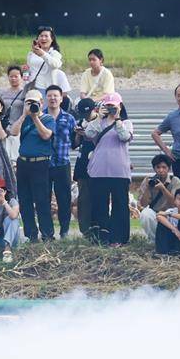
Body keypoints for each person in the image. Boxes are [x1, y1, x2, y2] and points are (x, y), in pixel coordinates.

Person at [83, 93, 134, 246]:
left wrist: (117, 120)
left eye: (114, 106)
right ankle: (102, 237)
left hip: (119, 171)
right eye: (108, 106)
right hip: (99, 170)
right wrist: (99, 117)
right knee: (99, 204)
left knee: (120, 204)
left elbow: (124, 137)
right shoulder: (98, 123)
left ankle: (119, 238)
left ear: (120, 106)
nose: (111, 108)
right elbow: (88, 134)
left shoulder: (126, 123)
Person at [9, 89, 55, 241]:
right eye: (28, 102)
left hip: (40, 163)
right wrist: (24, 114)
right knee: (25, 200)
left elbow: (46, 135)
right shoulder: (24, 119)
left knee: (42, 200)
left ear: (41, 103)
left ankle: (47, 234)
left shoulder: (48, 118)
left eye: (34, 102)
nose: (32, 105)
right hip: (23, 162)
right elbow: (13, 132)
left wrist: (35, 117)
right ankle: (30, 234)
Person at [45, 85, 77, 239]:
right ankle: (47, 232)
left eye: (55, 95)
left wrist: (80, 135)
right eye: (50, 95)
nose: (53, 98)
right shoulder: (41, 116)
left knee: (64, 198)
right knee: (44, 198)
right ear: (46, 98)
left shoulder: (69, 118)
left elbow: (74, 142)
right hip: (44, 163)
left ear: (61, 98)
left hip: (62, 163)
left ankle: (64, 230)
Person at [134, 155, 180, 243]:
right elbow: (143, 204)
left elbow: (176, 203)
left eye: (164, 167)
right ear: (154, 169)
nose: (161, 170)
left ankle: (171, 240)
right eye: (158, 167)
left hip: (171, 214)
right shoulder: (149, 180)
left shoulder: (175, 181)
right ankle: (155, 240)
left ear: (169, 169)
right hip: (156, 214)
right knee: (145, 214)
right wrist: (148, 188)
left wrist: (163, 189)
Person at [71, 97, 99, 236]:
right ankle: (85, 230)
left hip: (98, 165)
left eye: (88, 114)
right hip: (82, 165)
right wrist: (78, 134)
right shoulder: (80, 122)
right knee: (84, 199)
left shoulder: (101, 122)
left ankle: (99, 227)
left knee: (98, 198)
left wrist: (89, 135)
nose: (86, 117)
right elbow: (74, 145)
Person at [23, 26, 70, 96]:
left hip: (47, 89)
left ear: (52, 39)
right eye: (41, 36)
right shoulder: (31, 54)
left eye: (46, 36)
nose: (43, 38)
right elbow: (29, 70)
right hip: (33, 87)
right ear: (37, 39)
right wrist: (25, 72)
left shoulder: (55, 53)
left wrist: (42, 54)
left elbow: (55, 65)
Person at [155, 188, 180, 255]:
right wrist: (175, 230)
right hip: (174, 237)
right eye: (179, 199)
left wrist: (170, 214)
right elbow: (159, 217)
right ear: (174, 201)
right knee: (161, 224)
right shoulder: (171, 210)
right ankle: (162, 251)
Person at [0, 66, 27, 161]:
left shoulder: (25, 93)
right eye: (11, 76)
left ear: (21, 77)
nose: (13, 79)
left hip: (19, 129)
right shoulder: (3, 93)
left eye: (16, 76)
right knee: (4, 158)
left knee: (16, 158)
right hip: (5, 129)